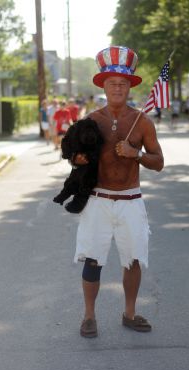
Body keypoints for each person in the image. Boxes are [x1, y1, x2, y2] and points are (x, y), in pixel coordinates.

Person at [72, 46, 164, 338]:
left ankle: (130, 313)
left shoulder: (143, 122)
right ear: (103, 85)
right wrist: (80, 159)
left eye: (123, 83)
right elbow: (72, 155)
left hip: (130, 201)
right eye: (112, 83)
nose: (117, 88)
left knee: (134, 258)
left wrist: (135, 153)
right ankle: (89, 317)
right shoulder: (90, 121)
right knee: (93, 259)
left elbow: (159, 162)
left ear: (129, 87)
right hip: (98, 201)